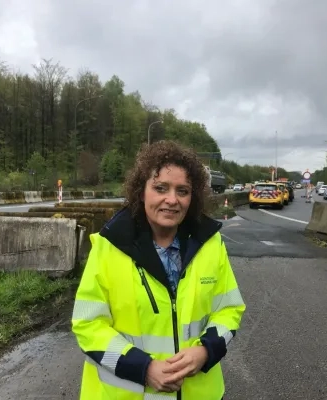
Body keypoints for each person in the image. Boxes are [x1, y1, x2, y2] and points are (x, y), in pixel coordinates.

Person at [72, 140, 246, 400]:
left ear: (192, 197)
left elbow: (229, 310)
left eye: (183, 191)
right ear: (141, 191)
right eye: (160, 188)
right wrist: (144, 369)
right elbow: (88, 324)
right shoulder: (109, 247)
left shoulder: (210, 245)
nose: (172, 200)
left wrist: (205, 351)